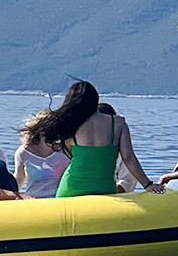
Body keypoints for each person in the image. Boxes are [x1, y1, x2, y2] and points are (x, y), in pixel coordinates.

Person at [26, 81, 164, 197]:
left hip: (71, 189)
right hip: (105, 189)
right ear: (96, 99)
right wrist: (148, 184)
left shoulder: (70, 125)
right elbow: (128, 157)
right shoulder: (118, 123)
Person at [13, 109, 68, 198]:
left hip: (58, 202)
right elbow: (19, 179)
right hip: (34, 202)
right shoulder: (24, 152)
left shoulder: (65, 151)